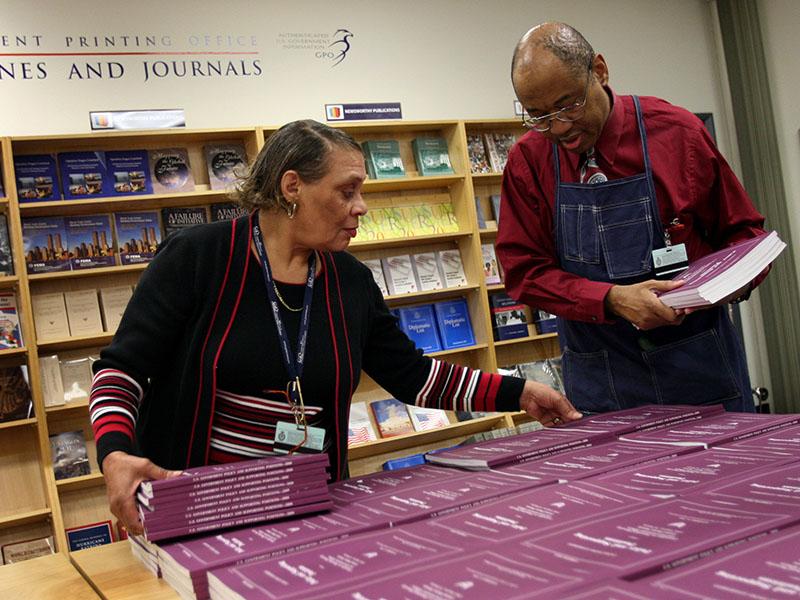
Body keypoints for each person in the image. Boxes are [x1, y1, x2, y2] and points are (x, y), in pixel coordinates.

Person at [90, 119, 581, 535]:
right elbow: (121, 370)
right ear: (291, 187)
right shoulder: (199, 257)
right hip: (196, 515)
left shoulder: (349, 280)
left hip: (308, 513)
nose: (361, 207)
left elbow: (414, 376)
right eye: (347, 192)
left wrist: (520, 393)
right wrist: (114, 454)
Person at [497, 22, 769, 416]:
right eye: (538, 116)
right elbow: (524, 272)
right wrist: (610, 299)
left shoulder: (677, 133)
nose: (558, 128)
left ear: (600, 71)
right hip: (600, 381)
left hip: (700, 368)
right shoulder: (529, 161)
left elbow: (744, 235)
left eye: (568, 104)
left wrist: (719, 286)